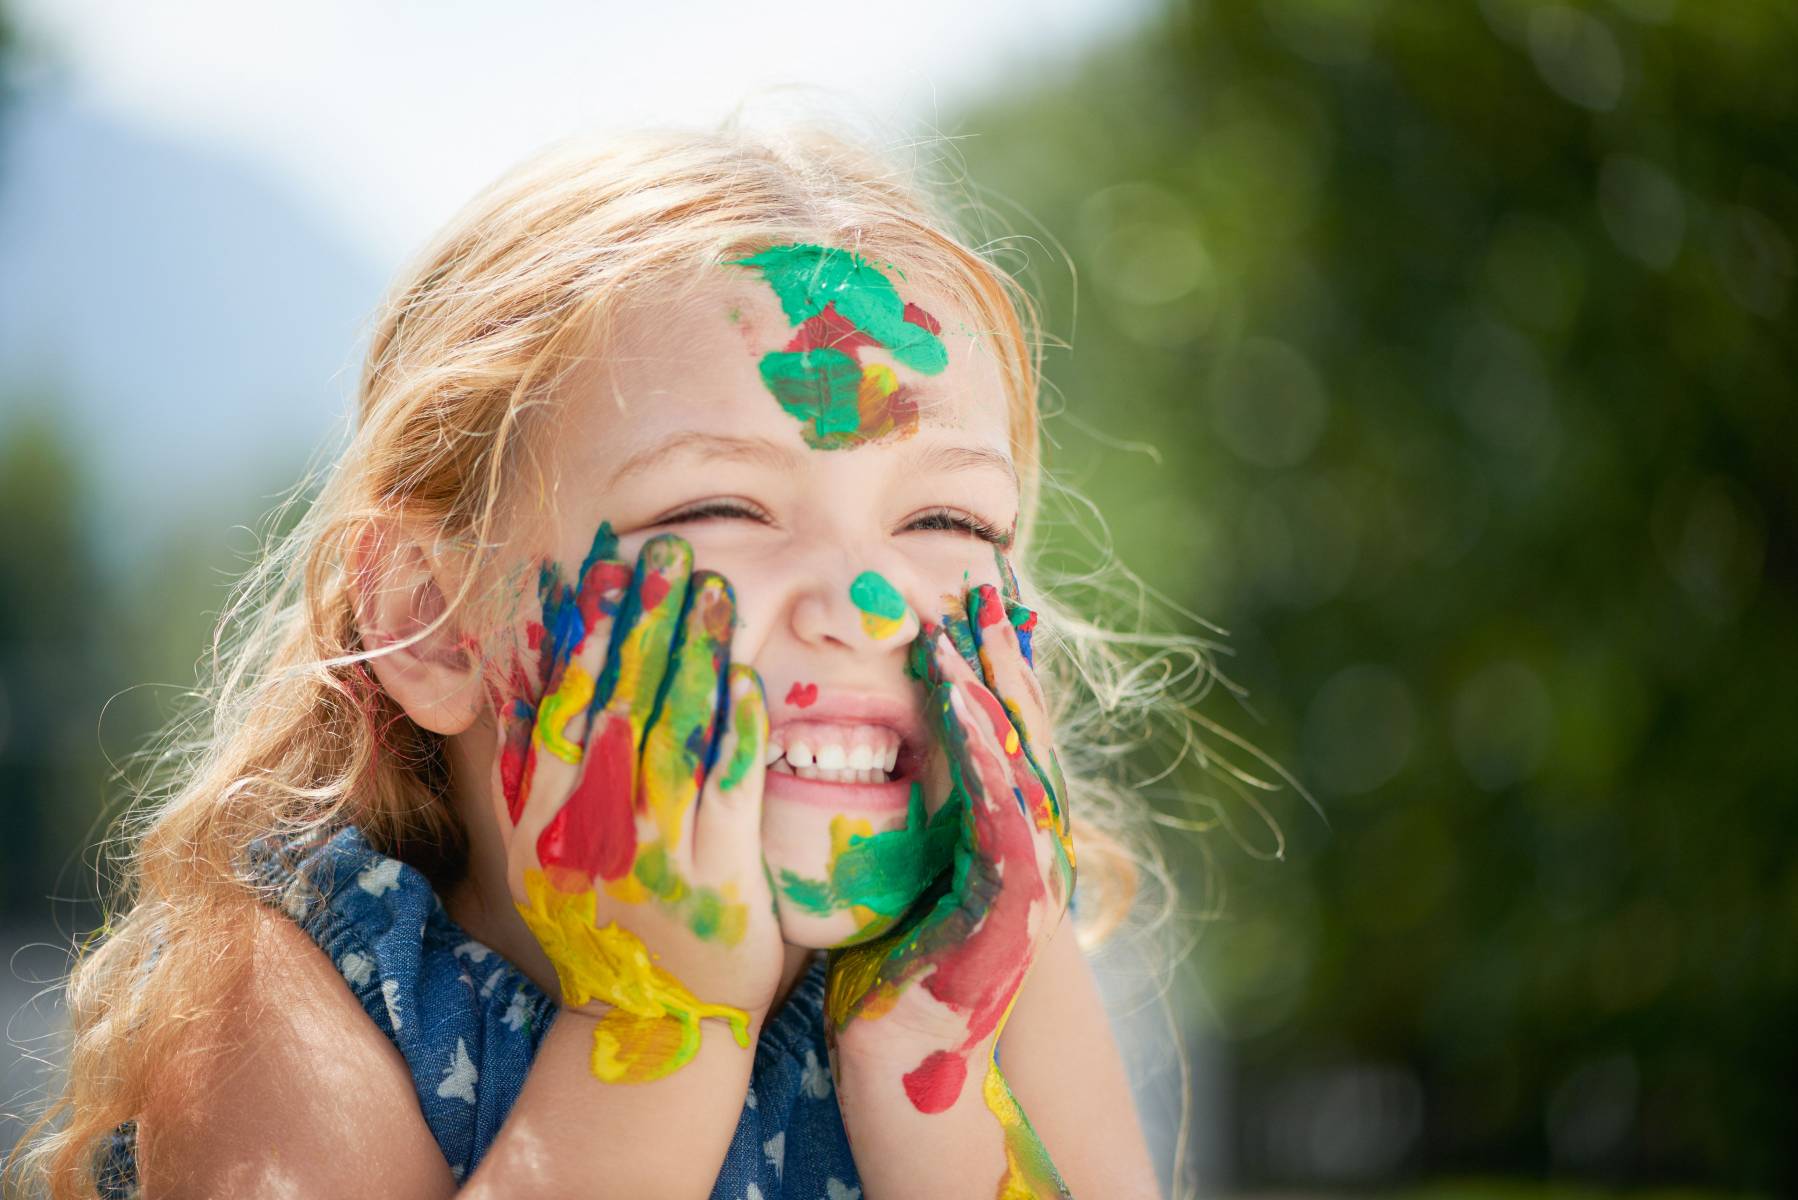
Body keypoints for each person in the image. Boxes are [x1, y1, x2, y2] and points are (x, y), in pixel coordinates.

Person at [4, 115, 1179, 1199]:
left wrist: (930, 1073)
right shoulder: (291, 997)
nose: (868, 606)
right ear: (435, 615)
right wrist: (658, 1027)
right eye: (722, 508)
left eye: (949, 524)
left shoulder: (987, 978)